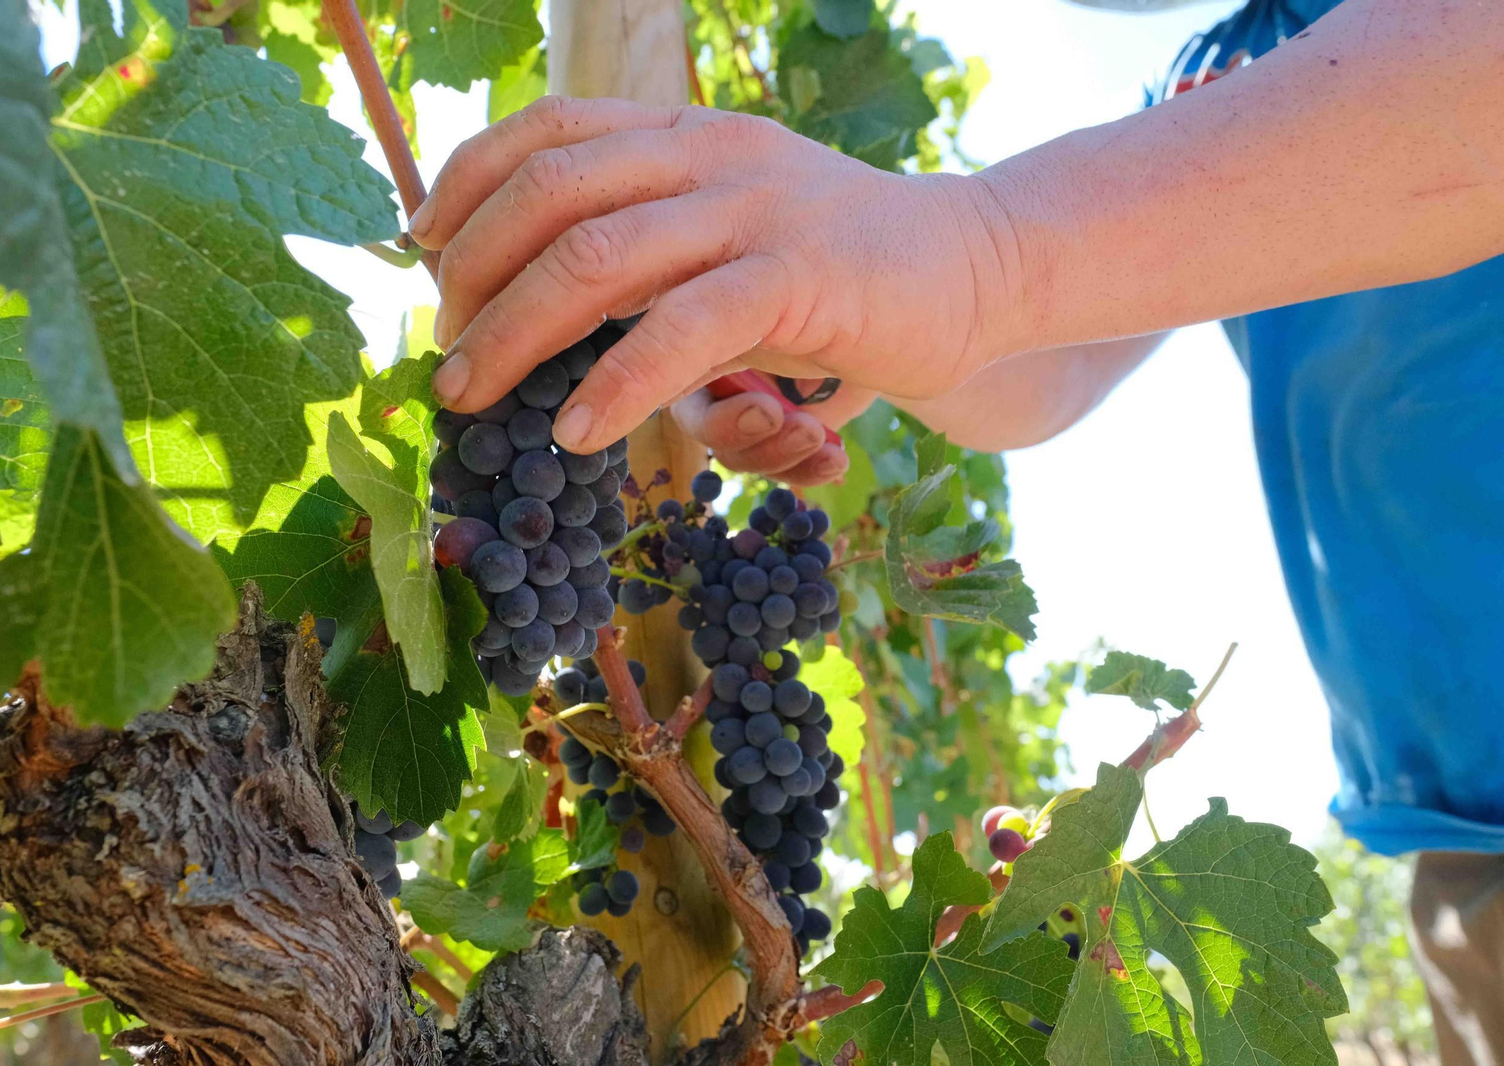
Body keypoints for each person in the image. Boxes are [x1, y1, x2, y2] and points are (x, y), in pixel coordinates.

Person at [409, 0, 1504, 1059]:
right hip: (1456, 828)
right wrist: (845, 330)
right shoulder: (1224, 65)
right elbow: (1054, 365)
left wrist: (979, 250)